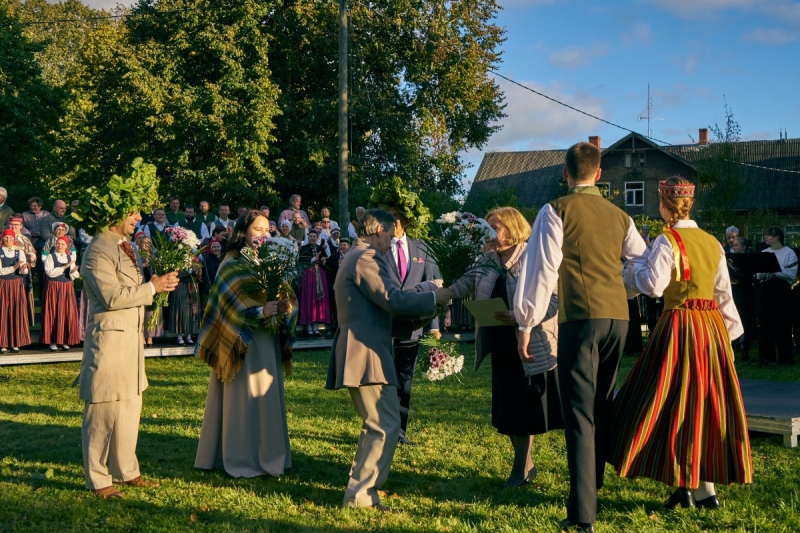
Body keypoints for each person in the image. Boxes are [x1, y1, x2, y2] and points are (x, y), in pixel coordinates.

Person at [513, 142, 647, 533]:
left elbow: (540, 272)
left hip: (582, 319)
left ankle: (582, 514)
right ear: (600, 174)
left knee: (579, 412)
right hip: (619, 319)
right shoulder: (621, 216)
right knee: (602, 404)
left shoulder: (555, 210)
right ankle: (593, 487)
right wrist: (624, 288)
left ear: (565, 172)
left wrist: (526, 322)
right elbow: (643, 262)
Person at [609, 176, 753, 510]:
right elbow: (723, 296)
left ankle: (686, 485)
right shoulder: (712, 242)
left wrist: (631, 268)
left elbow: (654, 285)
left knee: (667, 402)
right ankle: (703, 490)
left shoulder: (666, 239)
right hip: (712, 330)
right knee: (702, 406)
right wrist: (726, 340)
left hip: (680, 327)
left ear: (663, 204)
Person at [325, 209, 447, 510]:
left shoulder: (356, 254)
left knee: (378, 423)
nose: (393, 241)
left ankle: (361, 492)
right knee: (385, 423)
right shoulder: (366, 257)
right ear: (379, 228)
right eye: (391, 234)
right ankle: (361, 496)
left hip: (365, 348)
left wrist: (425, 293)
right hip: (364, 350)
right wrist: (435, 297)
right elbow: (393, 299)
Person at [445, 207, 561, 488]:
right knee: (508, 409)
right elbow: (462, 285)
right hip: (501, 345)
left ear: (513, 228)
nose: (490, 233)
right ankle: (525, 463)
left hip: (529, 346)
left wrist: (521, 317)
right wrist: (437, 292)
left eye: (495, 227)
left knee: (523, 409)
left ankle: (520, 468)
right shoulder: (486, 258)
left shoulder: (534, 259)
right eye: (488, 227)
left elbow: (554, 301)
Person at [78, 196, 179, 498]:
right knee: (104, 411)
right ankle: (98, 479)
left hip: (131, 341)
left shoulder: (128, 246)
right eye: (132, 212)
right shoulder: (97, 250)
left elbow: (134, 293)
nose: (138, 217)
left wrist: (158, 288)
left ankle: (127, 471)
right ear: (115, 213)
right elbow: (112, 297)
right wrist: (152, 287)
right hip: (108, 342)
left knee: (129, 408)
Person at [195, 210, 293, 478]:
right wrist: (262, 312)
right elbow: (228, 308)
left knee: (267, 400)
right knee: (242, 400)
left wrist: (285, 307)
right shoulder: (231, 263)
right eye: (257, 230)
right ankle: (241, 457)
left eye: (266, 230)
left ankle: (272, 455)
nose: (263, 235)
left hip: (267, 344)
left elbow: (286, 295)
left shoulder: (272, 261)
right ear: (243, 232)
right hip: (241, 345)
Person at [382, 205, 442, 445]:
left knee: (405, 380)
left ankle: (400, 432)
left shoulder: (422, 248)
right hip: (384, 325)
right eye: (389, 216)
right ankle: (382, 429)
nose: (393, 221)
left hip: (413, 327)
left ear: (405, 220)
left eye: (396, 216)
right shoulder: (377, 248)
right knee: (384, 380)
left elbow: (434, 287)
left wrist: (434, 326)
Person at [755, 226, 798, 366]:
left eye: (769, 235)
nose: (766, 238)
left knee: (783, 323)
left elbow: (791, 274)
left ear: (777, 237)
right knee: (766, 323)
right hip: (766, 289)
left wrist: (775, 271)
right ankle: (767, 358)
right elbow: (758, 274)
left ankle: (785, 358)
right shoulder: (764, 252)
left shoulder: (789, 253)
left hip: (781, 290)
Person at [41, 235, 81, 351]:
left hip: (66, 287)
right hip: (53, 287)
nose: (60, 246)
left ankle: (64, 340)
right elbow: (50, 273)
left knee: (66, 313)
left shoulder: (69, 257)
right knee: (53, 312)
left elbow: (74, 276)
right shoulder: (50, 256)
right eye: (58, 244)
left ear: (66, 246)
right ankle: (52, 341)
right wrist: (64, 268)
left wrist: (73, 272)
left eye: (62, 244)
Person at [0, 229, 31, 354]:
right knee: (3, 312)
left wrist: (23, 269)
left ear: (14, 239)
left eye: (10, 238)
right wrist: (13, 267)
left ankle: (15, 342)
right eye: (6, 238)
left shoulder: (19, 251)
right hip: (3, 284)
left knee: (16, 312)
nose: (8, 240)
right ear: (2, 239)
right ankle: (3, 343)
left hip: (17, 284)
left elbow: (24, 271)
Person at [729, 237, 756, 360]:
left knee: (746, 323)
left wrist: (733, 273)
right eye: (733, 245)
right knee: (731, 321)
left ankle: (746, 351)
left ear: (744, 247)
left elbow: (749, 277)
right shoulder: (730, 259)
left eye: (736, 245)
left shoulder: (749, 260)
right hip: (733, 293)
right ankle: (732, 350)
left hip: (745, 295)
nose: (734, 248)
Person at [299, 229, 330, 336]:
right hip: (308, 274)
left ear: (317, 238)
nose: (312, 238)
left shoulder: (320, 248)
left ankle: (316, 327)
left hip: (319, 274)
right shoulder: (304, 248)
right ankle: (308, 327)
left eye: (314, 236)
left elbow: (325, 260)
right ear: (308, 237)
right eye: (310, 236)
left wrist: (323, 260)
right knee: (309, 298)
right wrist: (312, 259)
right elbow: (300, 261)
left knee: (318, 299)